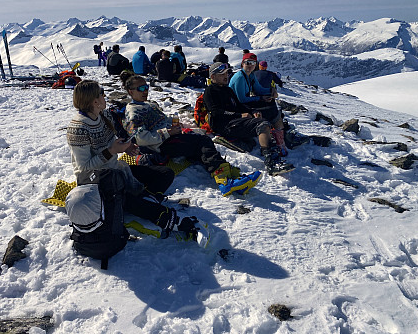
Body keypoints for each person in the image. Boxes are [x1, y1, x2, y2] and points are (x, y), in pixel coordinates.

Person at [66, 80, 199, 243]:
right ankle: (159, 214)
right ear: (95, 101)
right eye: (102, 94)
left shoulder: (104, 115)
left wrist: (125, 147)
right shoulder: (78, 128)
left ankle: (141, 200)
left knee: (165, 174)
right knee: (133, 201)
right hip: (96, 183)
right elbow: (84, 168)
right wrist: (112, 151)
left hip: (116, 170)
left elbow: (110, 140)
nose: (105, 96)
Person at [120, 71, 261, 196]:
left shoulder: (149, 105)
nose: (145, 91)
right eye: (141, 89)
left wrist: (176, 124)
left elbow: (162, 120)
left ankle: (229, 176)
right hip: (160, 144)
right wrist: (167, 132)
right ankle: (224, 180)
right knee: (202, 142)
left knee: (199, 147)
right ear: (131, 92)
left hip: (170, 137)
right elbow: (140, 138)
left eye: (146, 87)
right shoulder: (133, 112)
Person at [206, 61, 294, 175]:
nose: (226, 76)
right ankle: (270, 162)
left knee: (265, 116)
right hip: (225, 125)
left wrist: (252, 112)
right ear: (213, 76)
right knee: (262, 124)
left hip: (235, 121)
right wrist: (239, 115)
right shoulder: (210, 91)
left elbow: (239, 105)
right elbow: (216, 112)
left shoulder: (227, 90)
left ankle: (279, 143)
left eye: (226, 73)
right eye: (222, 74)